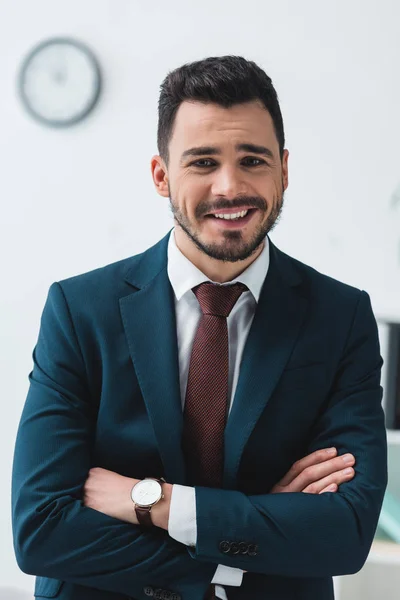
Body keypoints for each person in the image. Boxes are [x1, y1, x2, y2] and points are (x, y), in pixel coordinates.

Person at [11, 55, 387, 600]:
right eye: (203, 162)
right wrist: (252, 541)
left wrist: (151, 501)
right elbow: (41, 531)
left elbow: (346, 535)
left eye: (253, 160)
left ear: (284, 168)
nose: (229, 187)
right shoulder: (79, 309)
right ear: (162, 176)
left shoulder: (341, 316)